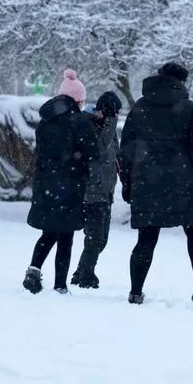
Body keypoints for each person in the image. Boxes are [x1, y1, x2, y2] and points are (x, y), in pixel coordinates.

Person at [117, 62, 193, 305]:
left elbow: (126, 150)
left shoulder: (140, 108)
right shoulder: (189, 109)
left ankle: (135, 292)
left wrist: (127, 183)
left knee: (146, 240)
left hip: (146, 183)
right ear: (181, 82)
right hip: (185, 184)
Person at [22, 69, 99, 294]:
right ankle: (60, 285)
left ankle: (34, 269)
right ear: (78, 99)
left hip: (46, 184)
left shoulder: (45, 122)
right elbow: (92, 151)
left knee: (48, 232)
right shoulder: (79, 121)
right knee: (66, 235)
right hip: (70, 184)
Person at [70, 91, 123, 288]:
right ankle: (86, 275)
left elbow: (115, 157)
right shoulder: (89, 125)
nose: (117, 117)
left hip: (105, 192)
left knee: (101, 240)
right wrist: (109, 122)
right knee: (95, 238)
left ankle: (80, 272)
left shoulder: (109, 129)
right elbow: (99, 151)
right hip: (91, 192)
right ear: (104, 111)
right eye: (114, 113)